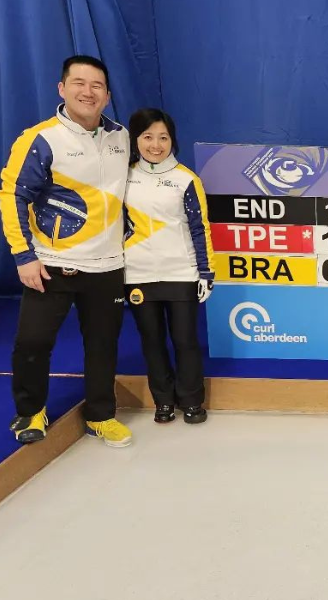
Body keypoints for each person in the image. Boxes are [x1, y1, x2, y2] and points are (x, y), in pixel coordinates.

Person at [0, 55, 132, 448]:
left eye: (96, 86)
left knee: (103, 345)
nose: (87, 92)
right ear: (62, 89)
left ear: (106, 95)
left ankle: (101, 415)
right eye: (79, 83)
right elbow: (12, 195)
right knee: (33, 343)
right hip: (53, 264)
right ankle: (30, 411)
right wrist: (24, 255)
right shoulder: (40, 138)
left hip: (108, 264)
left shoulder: (121, 137)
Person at [123, 108, 215, 424]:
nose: (156, 144)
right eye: (148, 137)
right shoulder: (122, 178)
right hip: (137, 273)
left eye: (163, 137)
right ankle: (163, 400)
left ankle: (191, 400)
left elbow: (199, 227)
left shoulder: (186, 179)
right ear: (136, 140)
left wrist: (206, 271)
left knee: (185, 340)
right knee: (151, 340)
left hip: (181, 272)